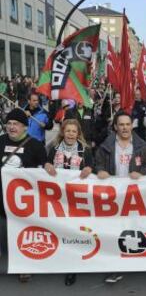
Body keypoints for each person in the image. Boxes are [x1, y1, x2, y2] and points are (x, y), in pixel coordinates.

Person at [95, 111, 146, 283]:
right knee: (113, 231)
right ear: (115, 127)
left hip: (134, 196)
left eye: (128, 124)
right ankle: (115, 266)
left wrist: (141, 172)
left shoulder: (142, 146)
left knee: (132, 230)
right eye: (121, 125)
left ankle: (134, 259)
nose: (125, 127)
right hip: (113, 196)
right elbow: (98, 164)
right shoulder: (105, 146)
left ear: (132, 126)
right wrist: (100, 171)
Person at [44, 119, 93, 286]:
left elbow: (92, 167)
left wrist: (89, 169)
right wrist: (47, 165)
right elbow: (46, 165)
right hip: (57, 198)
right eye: (68, 131)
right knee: (59, 229)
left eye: (74, 131)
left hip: (77, 199)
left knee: (74, 231)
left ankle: (73, 266)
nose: (71, 134)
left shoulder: (85, 151)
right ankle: (59, 258)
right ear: (63, 132)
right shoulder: (54, 149)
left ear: (78, 134)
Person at [0, 108, 47, 283]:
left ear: (25, 128)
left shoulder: (35, 146)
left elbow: (44, 169)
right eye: (9, 123)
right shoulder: (0, 141)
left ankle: (25, 267)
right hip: (1, 197)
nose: (12, 127)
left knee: (24, 232)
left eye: (16, 124)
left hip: (24, 200)